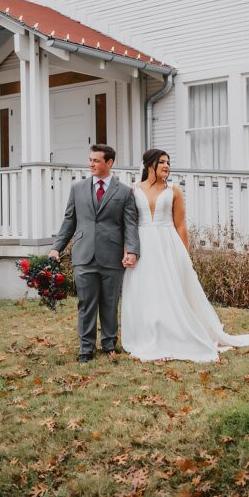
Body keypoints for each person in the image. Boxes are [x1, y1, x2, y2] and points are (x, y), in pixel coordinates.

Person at [120, 148, 249, 361]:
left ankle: (176, 331)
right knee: (146, 287)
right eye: (162, 162)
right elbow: (129, 225)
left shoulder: (174, 191)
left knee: (171, 289)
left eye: (168, 162)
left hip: (168, 244)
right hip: (143, 244)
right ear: (149, 164)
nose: (166, 166)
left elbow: (181, 225)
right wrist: (128, 250)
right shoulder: (133, 190)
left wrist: (184, 256)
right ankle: (147, 331)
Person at [50, 144, 139, 363]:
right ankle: (85, 348)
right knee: (86, 303)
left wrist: (133, 251)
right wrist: (56, 248)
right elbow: (69, 220)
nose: (91, 164)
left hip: (112, 255)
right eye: (90, 160)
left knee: (109, 303)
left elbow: (130, 225)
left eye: (96, 161)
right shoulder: (77, 189)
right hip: (84, 255)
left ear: (109, 163)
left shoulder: (125, 192)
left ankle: (109, 344)